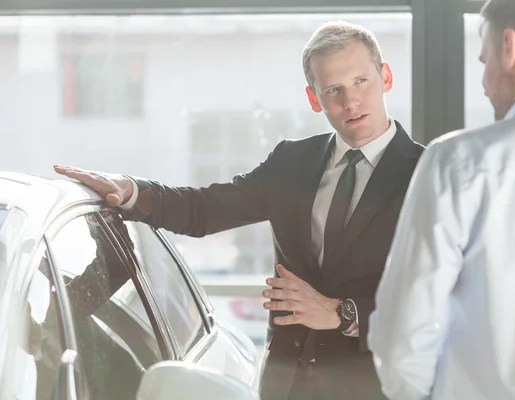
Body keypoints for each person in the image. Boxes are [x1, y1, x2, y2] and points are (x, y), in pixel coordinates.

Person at [55, 21, 424, 400]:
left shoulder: (428, 175)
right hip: (286, 386)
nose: (351, 101)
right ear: (314, 98)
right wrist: (131, 192)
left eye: (361, 81)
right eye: (334, 89)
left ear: (386, 76)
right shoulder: (291, 161)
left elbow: (437, 301)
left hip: (379, 388)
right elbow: (207, 208)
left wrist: (341, 313)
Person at [368, 0, 515, 399]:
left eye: (484, 60)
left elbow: (406, 330)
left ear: (510, 47)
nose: (484, 84)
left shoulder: (457, 163)